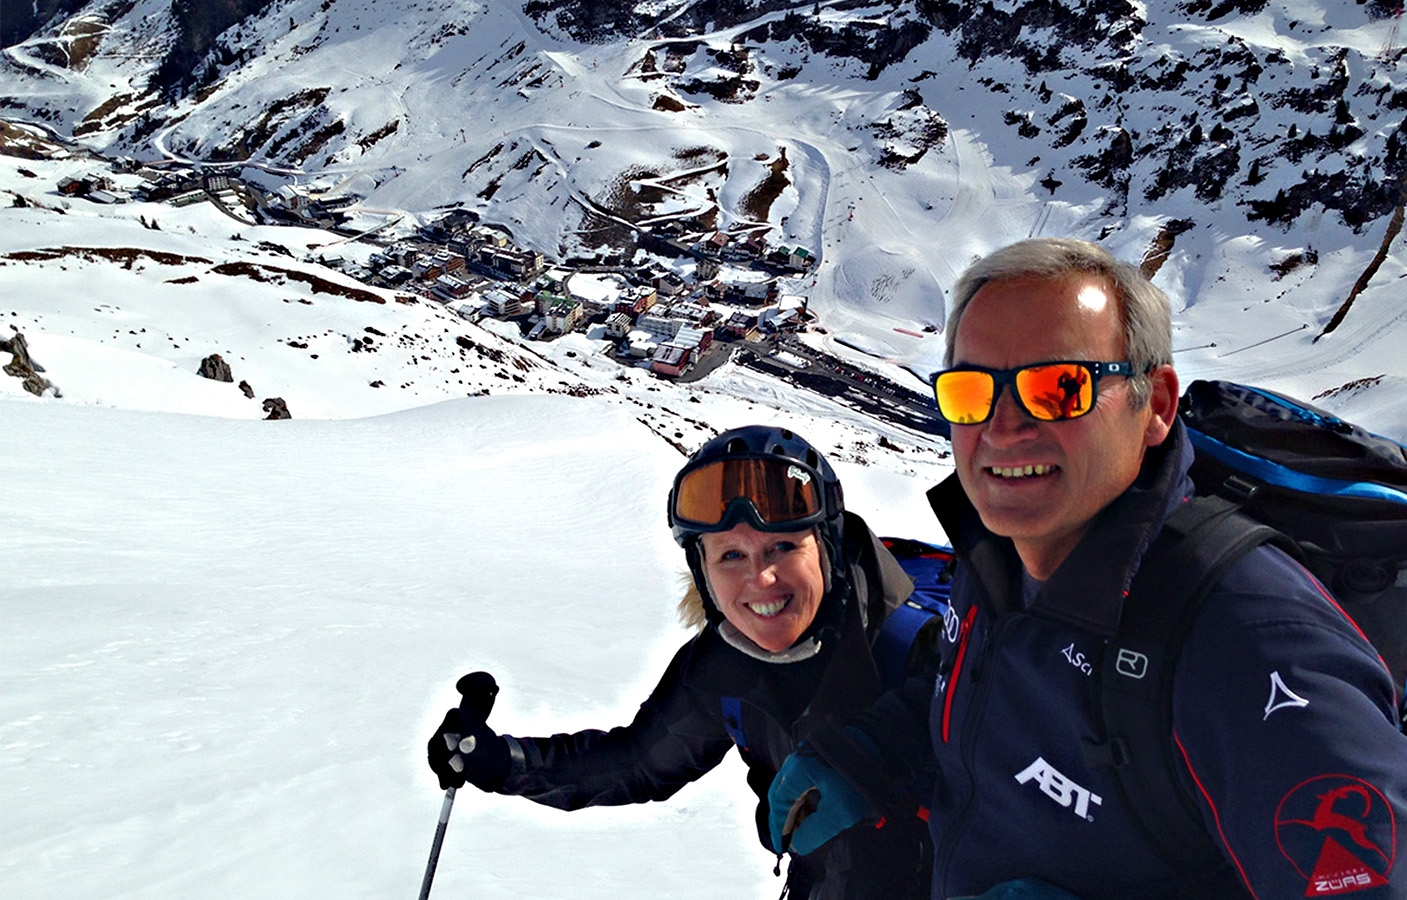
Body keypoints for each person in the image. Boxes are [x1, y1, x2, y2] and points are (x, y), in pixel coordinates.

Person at [766, 238, 1407, 899]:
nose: (1002, 428)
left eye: (1058, 389)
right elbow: (987, 692)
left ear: (1155, 406)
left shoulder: (1250, 642)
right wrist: (874, 751)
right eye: (970, 392)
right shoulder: (997, 552)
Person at [426, 425, 935, 899]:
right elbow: (639, 763)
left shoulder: (926, 645)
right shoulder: (725, 666)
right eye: (730, 556)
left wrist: (887, 748)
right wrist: (505, 762)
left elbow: (982, 735)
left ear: (826, 547)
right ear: (703, 572)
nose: (760, 580)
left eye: (783, 546)